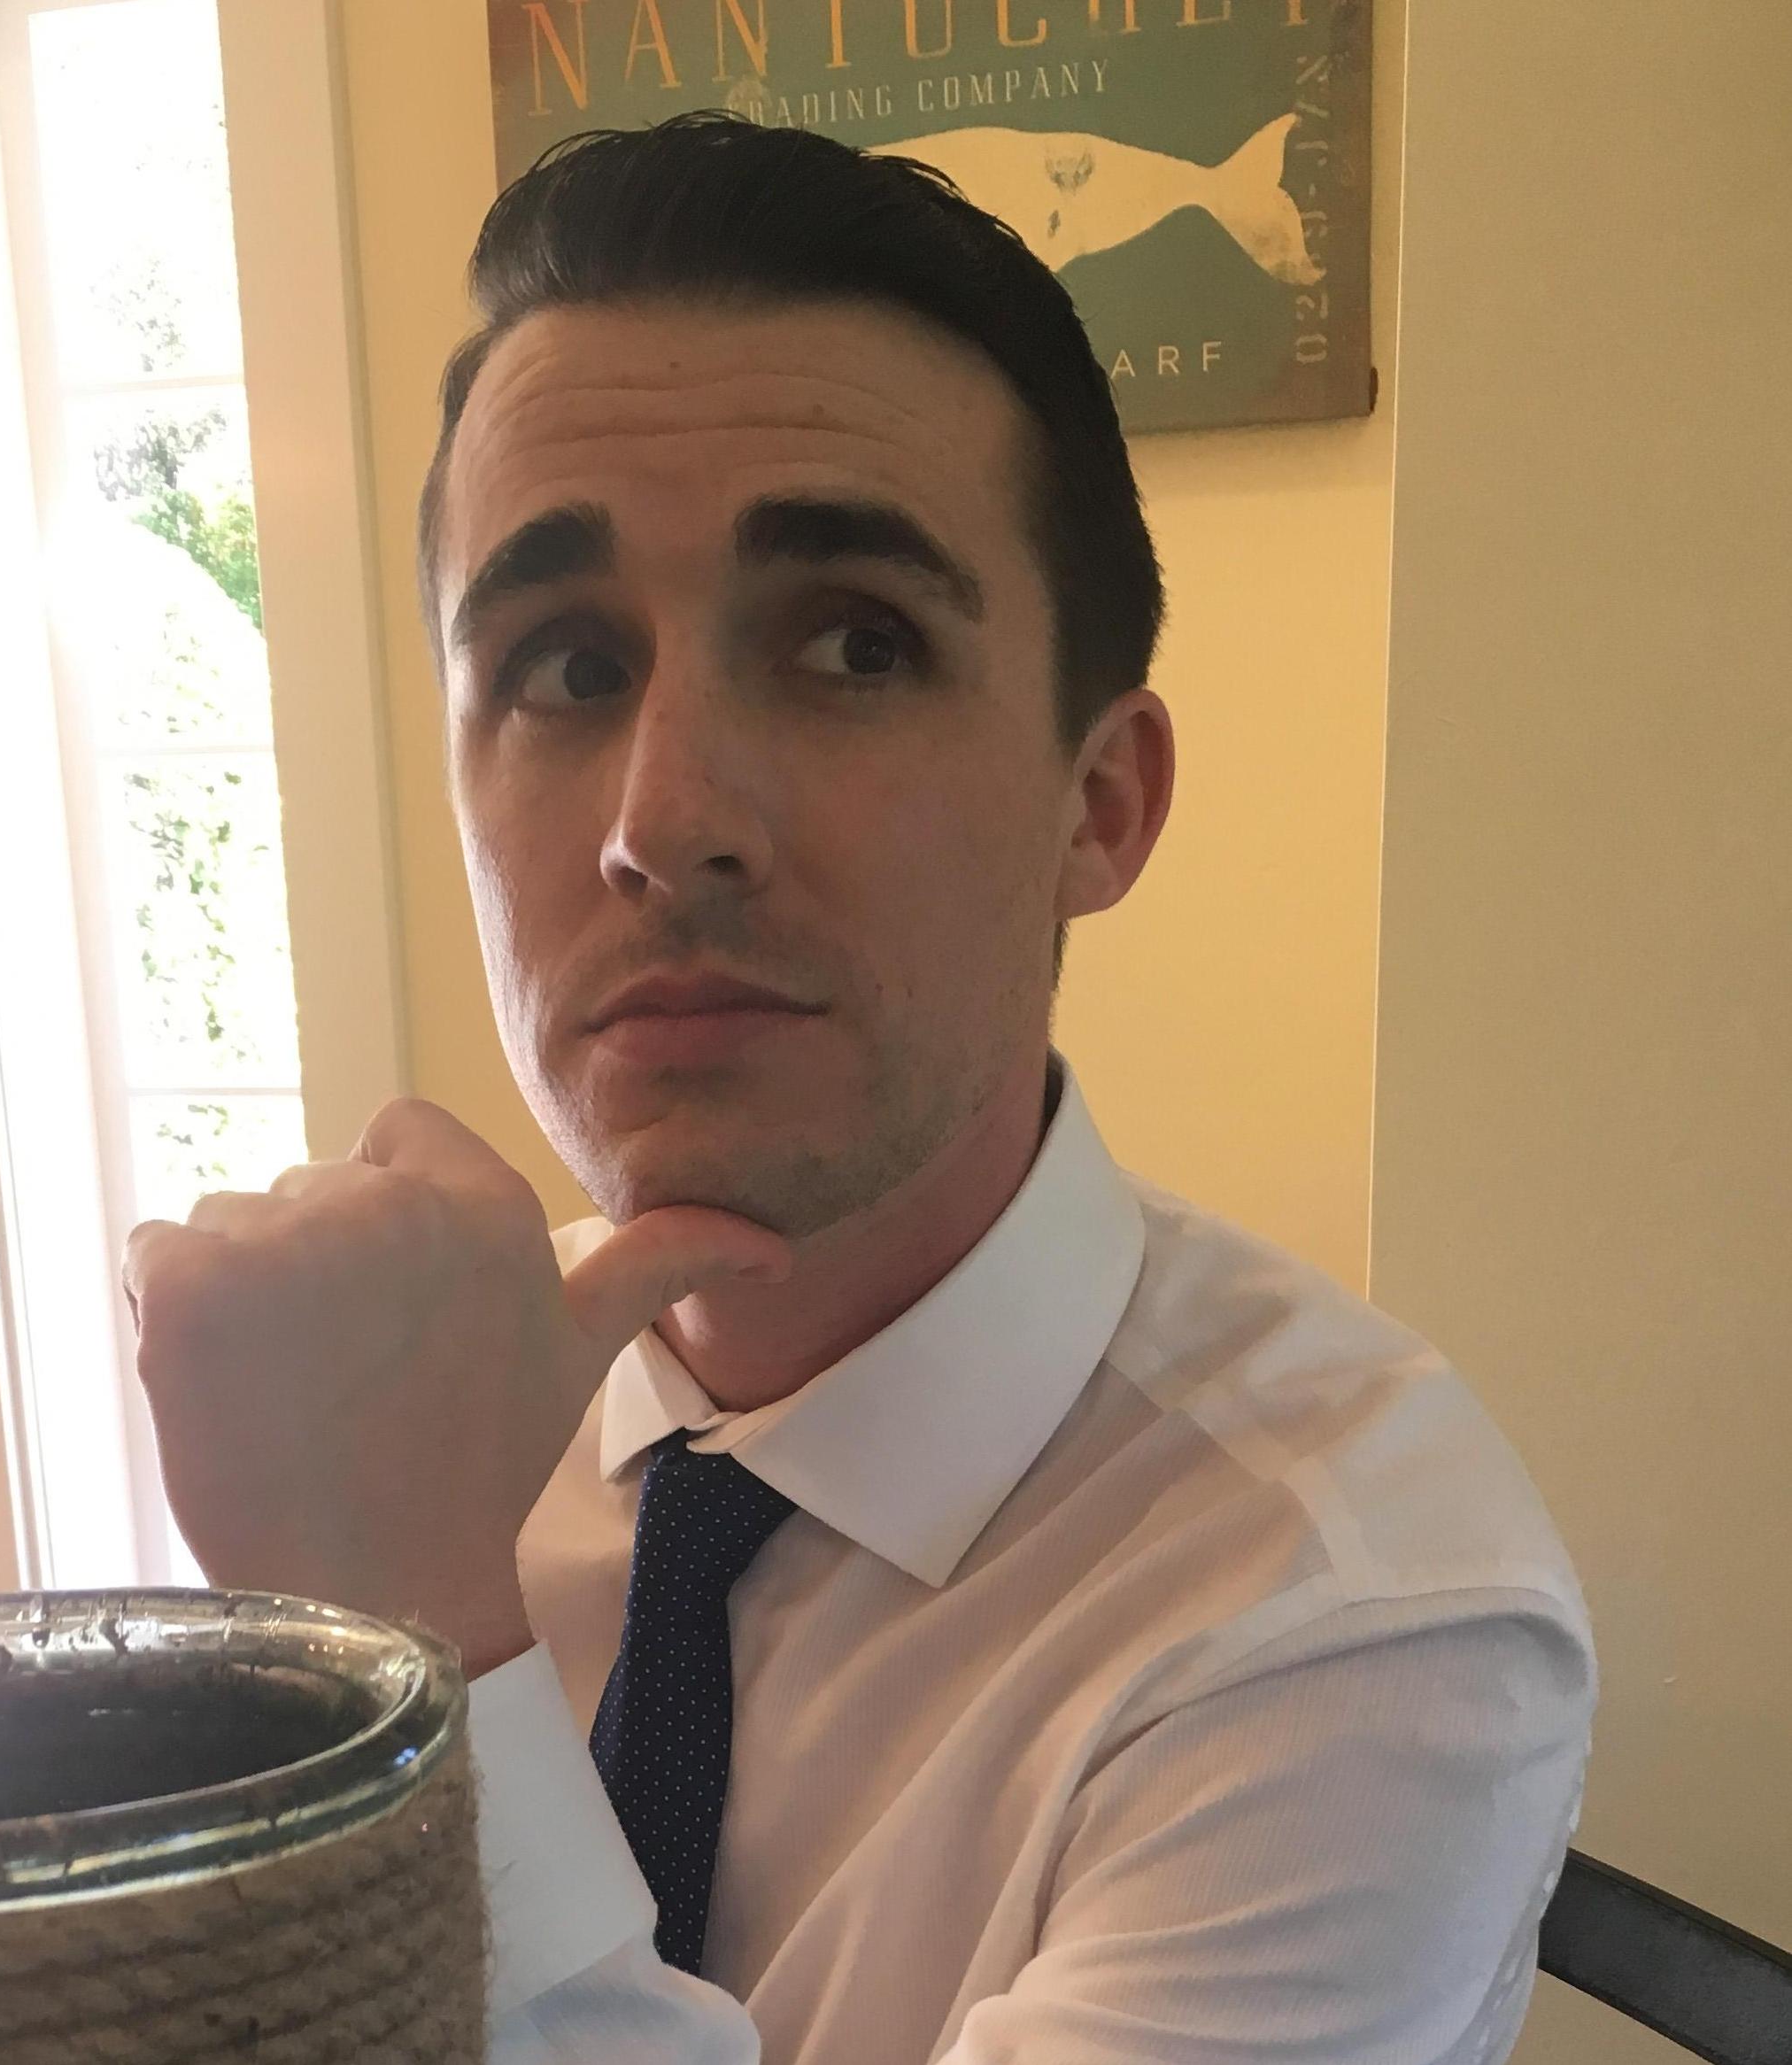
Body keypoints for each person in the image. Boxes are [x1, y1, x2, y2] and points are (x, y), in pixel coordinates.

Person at [123, 113, 1595, 2063]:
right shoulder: (399, 1417)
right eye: (564, 667)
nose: (664, 822)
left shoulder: (1352, 1607)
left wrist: (405, 1671)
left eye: (851, 643)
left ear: (1100, 802)